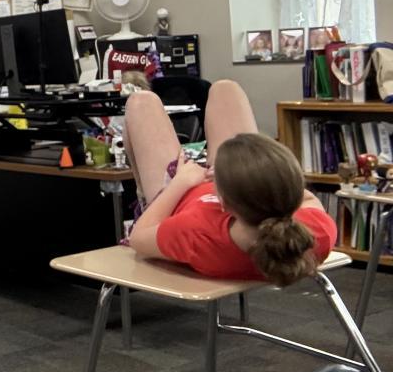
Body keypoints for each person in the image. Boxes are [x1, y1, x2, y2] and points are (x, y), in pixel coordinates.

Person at [123, 79, 336, 285]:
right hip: (229, 187)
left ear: (222, 202)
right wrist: (240, 177)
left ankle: (145, 196)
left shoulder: (198, 234)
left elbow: (138, 238)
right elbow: (306, 199)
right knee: (225, 88)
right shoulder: (314, 233)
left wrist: (180, 182)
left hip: (174, 193)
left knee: (141, 101)